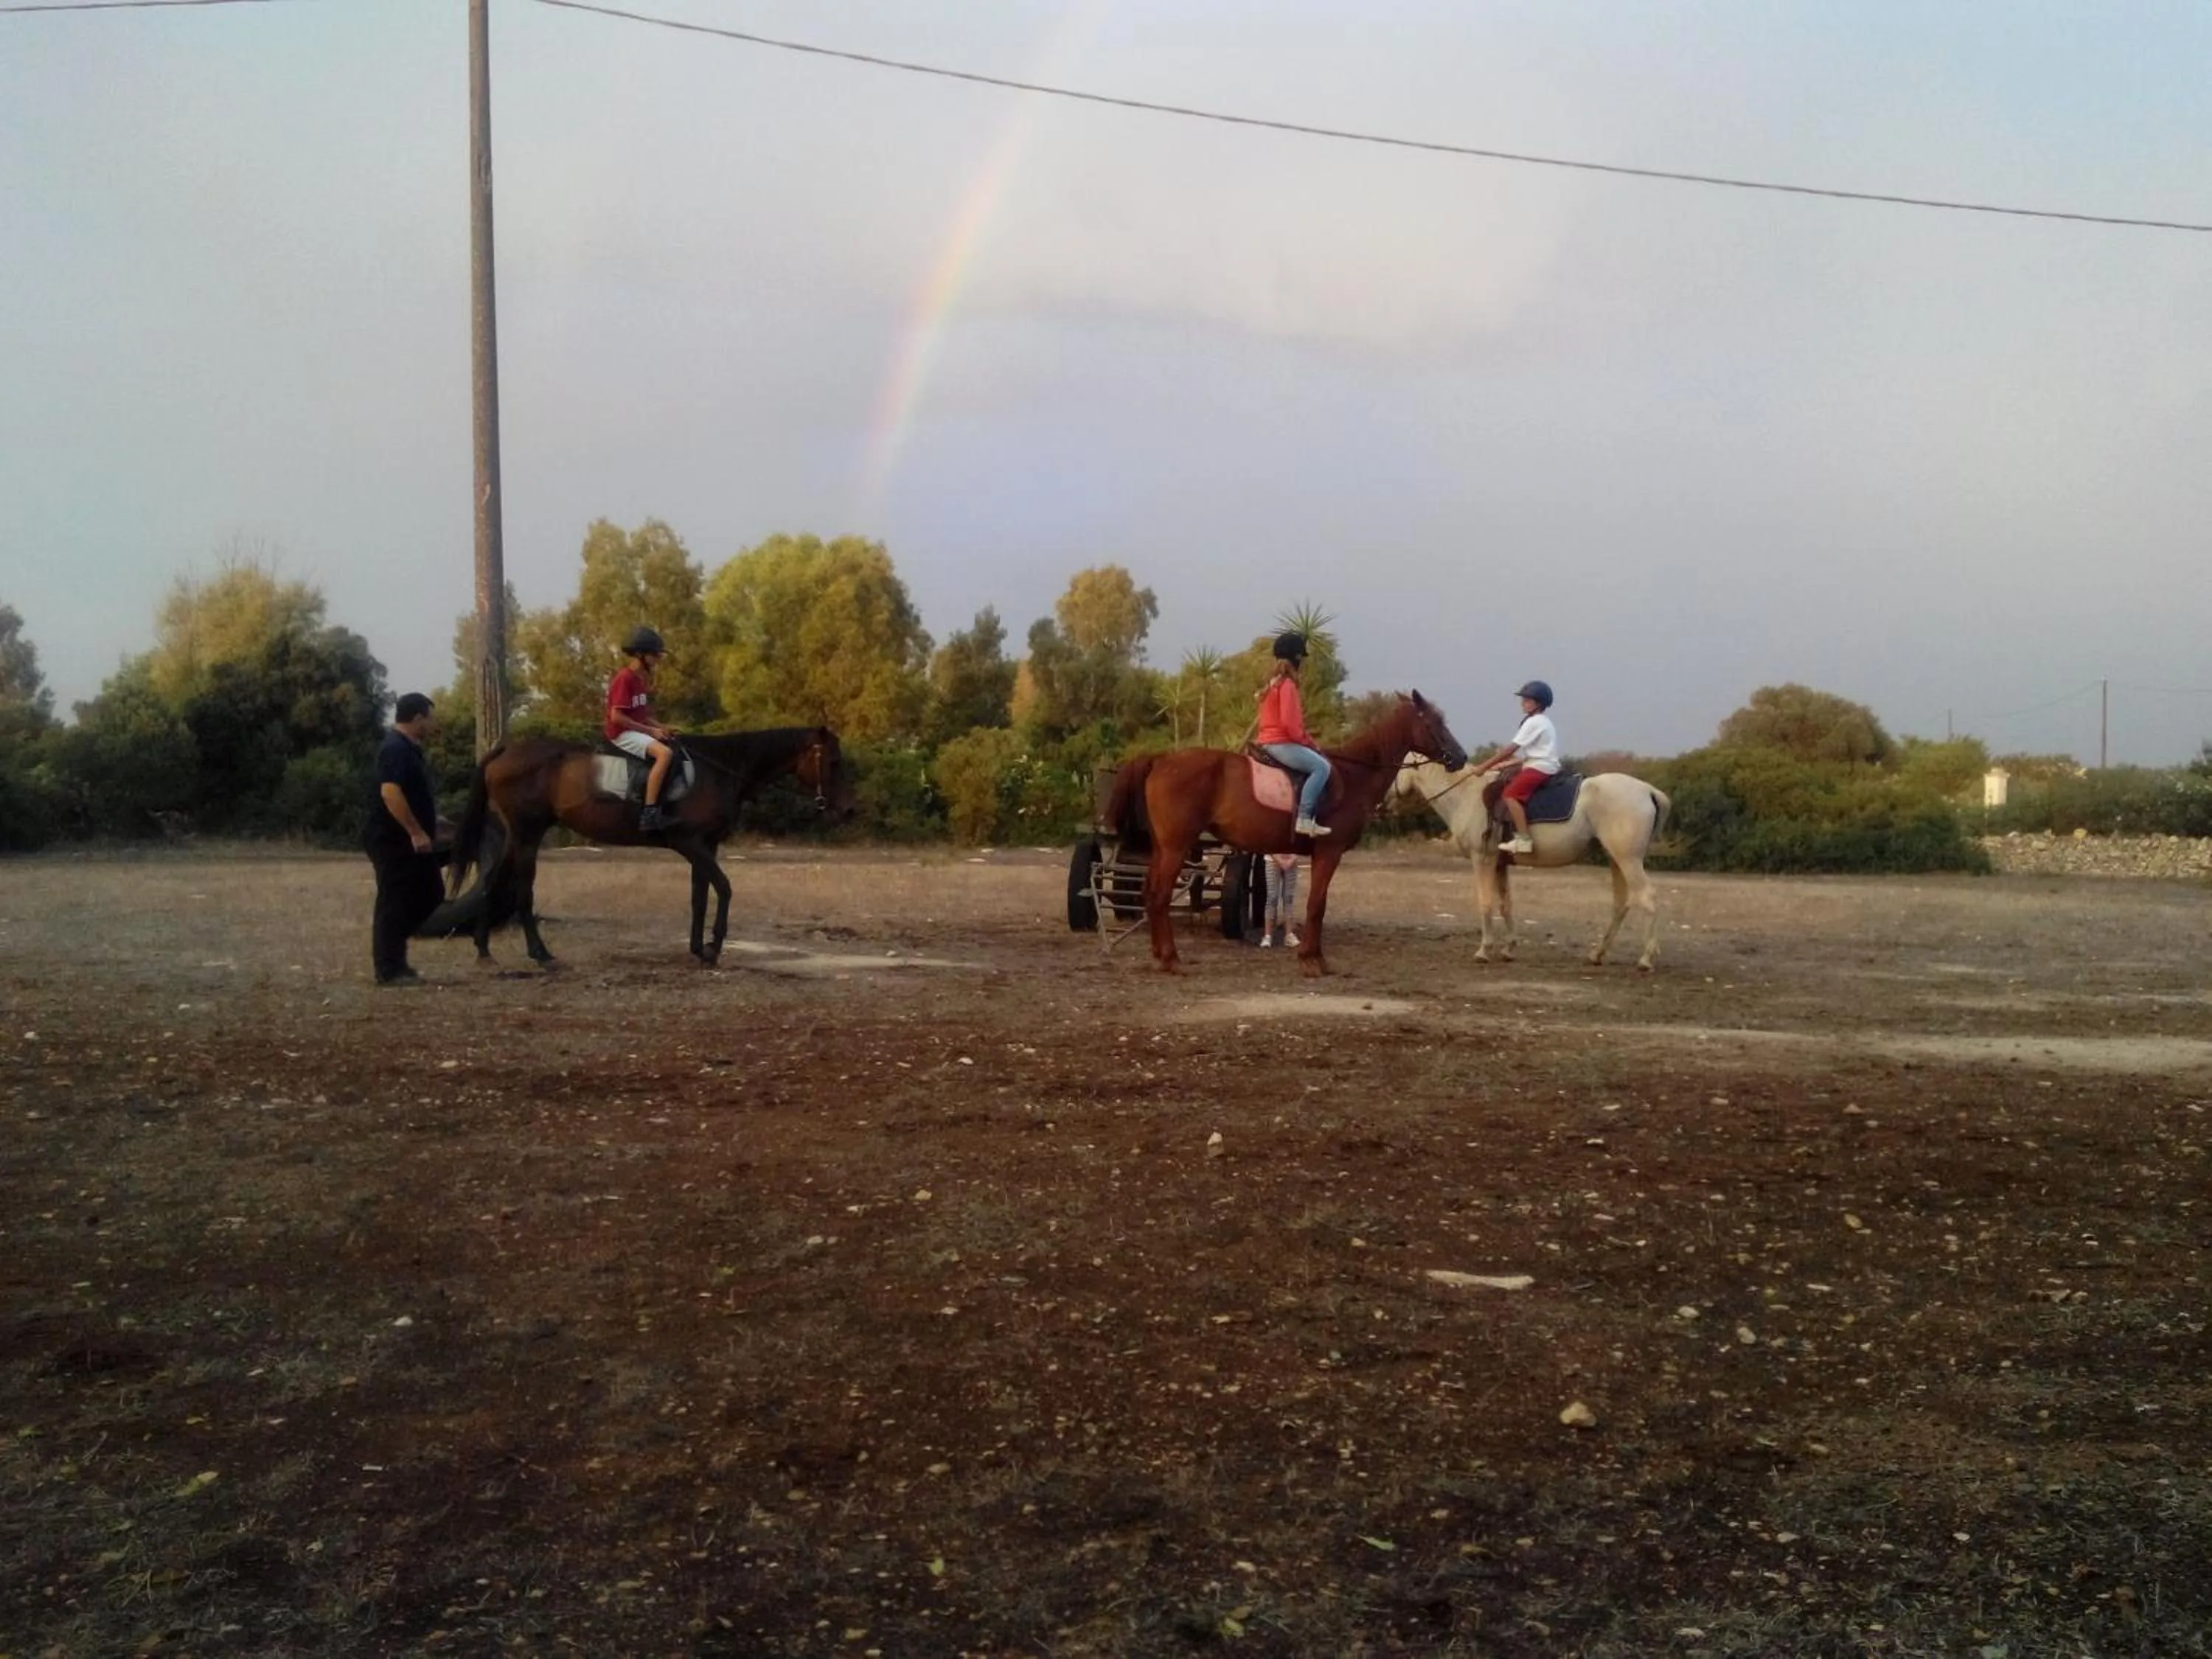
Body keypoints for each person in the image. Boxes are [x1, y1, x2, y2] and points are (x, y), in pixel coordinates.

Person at [364, 692, 444, 986]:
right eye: (429, 718)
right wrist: (415, 831)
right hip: (392, 839)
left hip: (411, 839)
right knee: (394, 901)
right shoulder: (395, 748)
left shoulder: (410, 749)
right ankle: (389, 969)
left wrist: (432, 821)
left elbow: (412, 793)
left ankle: (395, 950)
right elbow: (390, 792)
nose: (432, 724)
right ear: (418, 717)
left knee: (432, 893)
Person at [1254, 630, 1332, 838]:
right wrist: (1309, 742)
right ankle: (1305, 818)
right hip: (1281, 743)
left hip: (1266, 740)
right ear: (1296, 658)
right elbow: (1290, 725)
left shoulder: (1271, 683)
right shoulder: (1287, 685)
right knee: (1321, 767)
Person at [1473, 680, 1559, 855]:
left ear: (1538, 704)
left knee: (1510, 795)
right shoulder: (1542, 722)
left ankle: (1524, 841)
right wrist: (1506, 764)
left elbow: (1511, 748)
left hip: (1540, 768)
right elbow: (1531, 754)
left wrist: (1484, 766)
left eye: (1527, 700)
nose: (1523, 703)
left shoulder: (1534, 722)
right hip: (1538, 764)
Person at [606, 625, 680, 832]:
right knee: (664, 754)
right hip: (620, 733)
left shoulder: (640, 679)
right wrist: (651, 732)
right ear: (640, 655)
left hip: (635, 729)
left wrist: (662, 727)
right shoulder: (625, 679)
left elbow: (643, 715)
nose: (658, 658)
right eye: (654, 654)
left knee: (673, 745)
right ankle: (649, 815)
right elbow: (617, 717)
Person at [1258, 852, 1303, 950]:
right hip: (1272, 861)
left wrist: (1293, 859)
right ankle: (1267, 936)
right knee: (1272, 897)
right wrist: (1279, 860)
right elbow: (1268, 844)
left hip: (1292, 862)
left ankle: (1289, 934)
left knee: (1289, 898)